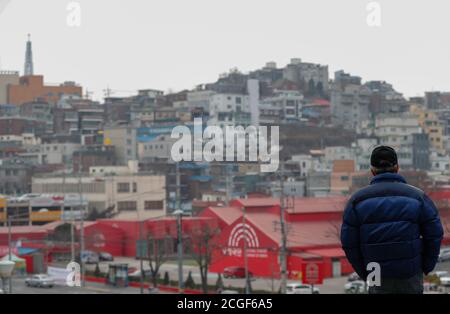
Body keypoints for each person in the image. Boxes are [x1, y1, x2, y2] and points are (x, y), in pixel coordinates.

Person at [341, 146, 444, 294]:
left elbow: (349, 243)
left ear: (372, 171)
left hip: (375, 271)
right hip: (410, 272)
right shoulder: (417, 197)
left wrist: (366, 272)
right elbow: (434, 234)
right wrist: (425, 265)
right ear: (397, 168)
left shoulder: (357, 201)